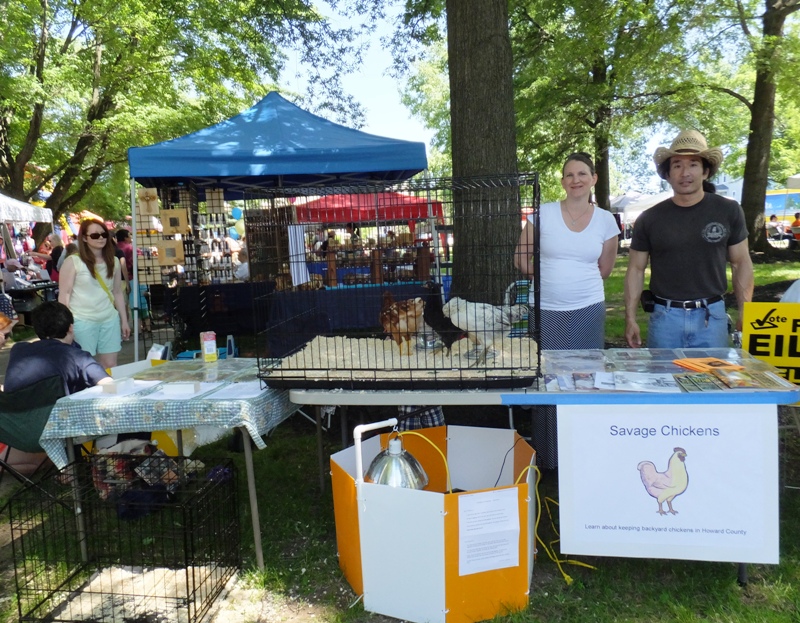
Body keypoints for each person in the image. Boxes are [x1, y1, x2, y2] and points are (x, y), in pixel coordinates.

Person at [514, 152, 619, 470]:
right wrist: (544, 278)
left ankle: (585, 456)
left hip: (588, 309)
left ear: (593, 179)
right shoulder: (542, 215)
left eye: (582, 174)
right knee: (547, 379)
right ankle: (548, 456)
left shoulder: (606, 221)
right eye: (569, 174)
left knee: (585, 378)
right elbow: (521, 257)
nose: (576, 180)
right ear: (562, 181)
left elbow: (605, 268)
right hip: (546, 310)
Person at [624, 129, 754, 349]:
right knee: (662, 381)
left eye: (693, 164)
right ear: (667, 174)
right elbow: (636, 269)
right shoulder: (650, 218)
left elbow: (741, 262)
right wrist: (630, 318)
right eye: (677, 165)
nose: (685, 172)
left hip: (711, 318)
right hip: (664, 318)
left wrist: (746, 312)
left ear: (705, 171)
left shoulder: (728, 211)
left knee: (713, 382)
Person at [58, 219, 130, 368]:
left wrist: (124, 320)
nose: (101, 238)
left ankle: (109, 391)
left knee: (110, 365)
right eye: (95, 235)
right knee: (84, 365)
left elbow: (117, 292)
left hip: (109, 319)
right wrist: (65, 324)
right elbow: (64, 295)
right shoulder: (73, 261)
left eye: (104, 234)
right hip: (81, 320)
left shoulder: (114, 261)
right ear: (84, 238)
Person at [4, 301, 111, 394]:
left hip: (14, 415)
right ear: (70, 328)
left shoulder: (18, 350)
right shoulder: (77, 357)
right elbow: (109, 385)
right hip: (56, 415)